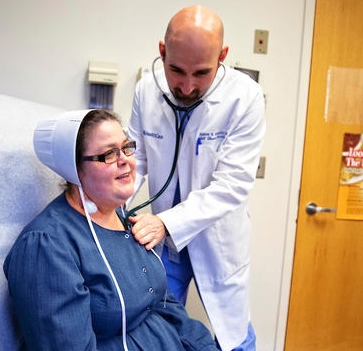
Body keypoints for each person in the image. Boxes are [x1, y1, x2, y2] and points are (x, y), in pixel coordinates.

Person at [3, 109, 218, 351]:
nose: (125, 159)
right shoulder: (48, 246)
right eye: (108, 154)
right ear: (74, 168)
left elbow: (165, 305)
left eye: (126, 147)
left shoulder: (124, 220)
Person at [126, 5, 266, 351]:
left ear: (223, 57)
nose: (186, 86)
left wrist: (165, 222)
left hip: (214, 239)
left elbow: (232, 185)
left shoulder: (244, 98)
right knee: (157, 328)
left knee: (233, 334)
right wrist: (111, 210)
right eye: (176, 70)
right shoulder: (147, 90)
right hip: (163, 245)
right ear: (162, 51)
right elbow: (134, 159)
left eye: (201, 73)